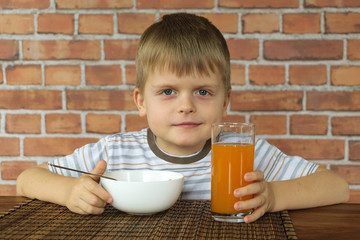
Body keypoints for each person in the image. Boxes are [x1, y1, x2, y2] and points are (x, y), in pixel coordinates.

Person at [16, 13, 349, 223]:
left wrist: (273, 196)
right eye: (168, 92)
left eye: (203, 92)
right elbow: (27, 179)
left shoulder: (244, 154)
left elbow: (337, 187)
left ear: (226, 101)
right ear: (140, 101)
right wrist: (70, 192)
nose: (186, 105)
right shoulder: (114, 153)